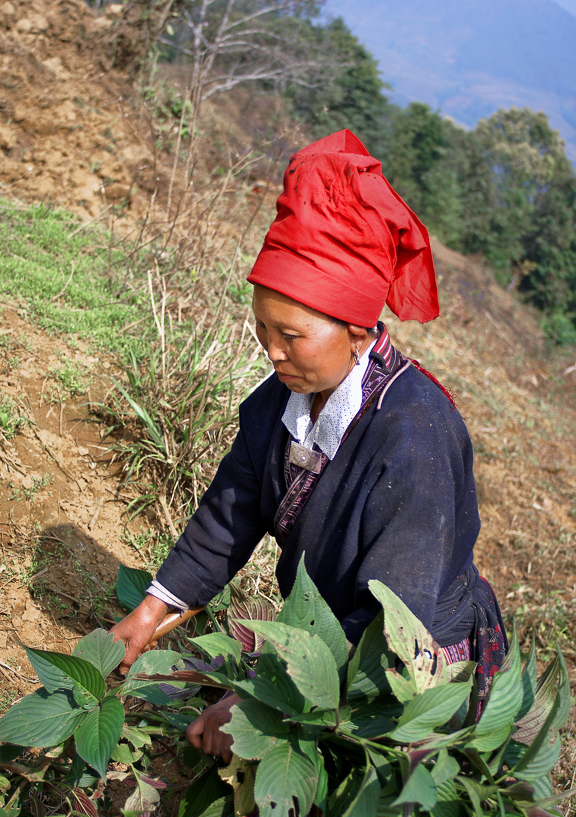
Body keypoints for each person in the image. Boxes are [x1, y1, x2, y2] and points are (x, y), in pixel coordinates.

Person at [111, 129, 507, 762]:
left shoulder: (413, 438)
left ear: (355, 328)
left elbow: (393, 622)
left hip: (406, 664)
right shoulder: (282, 401)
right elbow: (230, 513)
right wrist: (155, 609)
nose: (271, 351)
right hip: (319, 641)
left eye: (291, 335)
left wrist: (262, 696)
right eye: (261, 327)